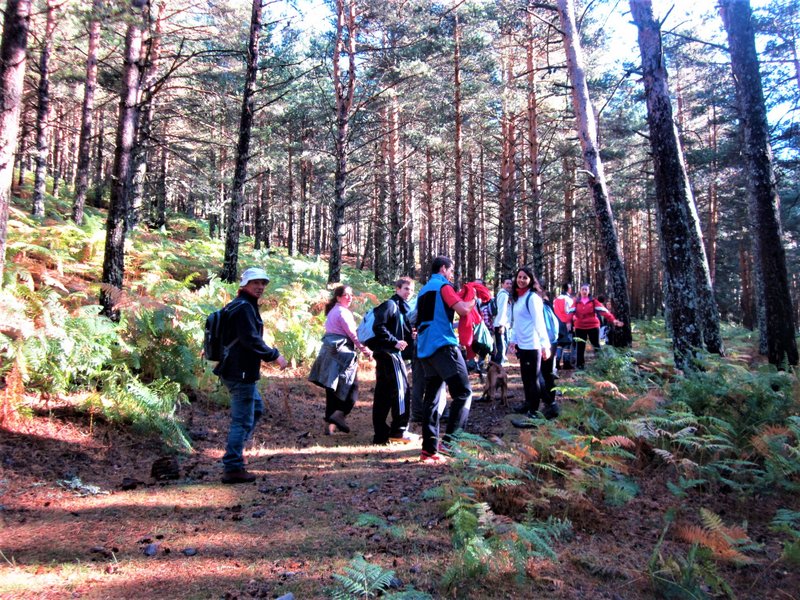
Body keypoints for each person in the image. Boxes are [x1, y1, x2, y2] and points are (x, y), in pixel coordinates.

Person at [214, 267, 289, 484]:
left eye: (263, 283)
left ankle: (235, 455)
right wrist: (275, 355)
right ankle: (233, 466)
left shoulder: (241, 305)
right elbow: (250, 340)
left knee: (255, 409)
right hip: (240, 371)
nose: (260, 287)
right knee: (242, 419)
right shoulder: (243, 308)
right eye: (255, 283)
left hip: (237, 369)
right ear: (244, 284)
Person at [416, 256, 475, 464]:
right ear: (443, 269)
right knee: (463, 392)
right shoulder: (444, 287)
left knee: (432, 397)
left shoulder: (422, 291)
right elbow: (463, 310)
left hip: (425, 348)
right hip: (442, 345)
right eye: (451, 270)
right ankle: (451, 442)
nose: (452, 275)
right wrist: (473, 298)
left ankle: (428, 450)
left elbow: (416, 318)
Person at [308, 285, 372, 436]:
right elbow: (353, 335)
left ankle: (329, 427)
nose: (349, 298)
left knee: (332, 390)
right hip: (342, 355)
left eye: (351, 295)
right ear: (338, 297)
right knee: (352, 389)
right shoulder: (343, 313)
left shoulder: (333, 311)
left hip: (331, 352)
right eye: (346, 295)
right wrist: (365, 350)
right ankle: (340, 414)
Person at [369, 277, 416, 445]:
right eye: (405, 289)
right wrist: (394, 342)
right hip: (389, 354)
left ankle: (381, 435)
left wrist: (409, 337)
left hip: (386, 355)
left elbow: (395, 330)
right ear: (397, 289)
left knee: (384, 394)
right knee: (402, 391)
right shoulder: (391, 305)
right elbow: (378, 327)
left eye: (411, 290)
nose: (408, 292)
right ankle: (399, 431)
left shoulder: (400, 308)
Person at [507, 267, 552, 421]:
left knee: (533, 379)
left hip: (533, 345)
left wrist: (545, 345)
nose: (521, 280)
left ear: (531, 280)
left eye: (525, 277)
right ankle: (529, 403)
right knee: (526, 378)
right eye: (519, 277)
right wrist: (513, 340)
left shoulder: (532, 298)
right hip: (523, 345)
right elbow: (516, 321)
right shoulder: (518, 297)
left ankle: (534, 411)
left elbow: (539, 323)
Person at [567, 283, 623, 369]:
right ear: (580, 291)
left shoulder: (593, 301)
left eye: (586, 289)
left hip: (593, 326)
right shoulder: (576, 302)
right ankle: (580, 367)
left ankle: (602, 365)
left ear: (589, 291)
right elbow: (570, 312)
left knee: (596, 345)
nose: (584, 291)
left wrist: (613, 320)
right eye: (583, 289)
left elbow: (604, 311)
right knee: (580, 346)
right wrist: (568, 322)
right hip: (580, 327)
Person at [552, 283, 574, 370]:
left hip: (557, 323)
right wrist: (570, 323)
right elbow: (568, 312)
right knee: (567, 343)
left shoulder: (556, 299)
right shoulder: (568, 299)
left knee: (559, 343)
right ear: (568, 289)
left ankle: (557, 362)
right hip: (566, 323)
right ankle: (566, 363)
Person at [492, 278, 513, 365]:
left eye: (510, 284)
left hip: (504, 324)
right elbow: (502, 310)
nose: (509, 285)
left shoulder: (505, 295)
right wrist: (501, 325)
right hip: (501, 325)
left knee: (503, 345)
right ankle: (498, 365)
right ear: (502, 284)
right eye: (507, 283)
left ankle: (497, 364)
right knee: (502, 347)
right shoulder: (504, 295)